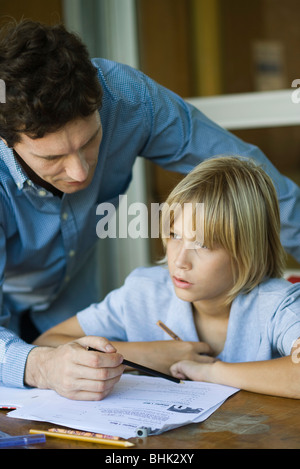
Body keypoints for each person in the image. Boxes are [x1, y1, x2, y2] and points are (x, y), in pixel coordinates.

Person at [0, 20, 299, 396]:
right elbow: (45, 351)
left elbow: (256, 183)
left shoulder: (126, 98)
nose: (80, 172)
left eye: (90, 141)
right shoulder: (144, 293)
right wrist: (39, 365)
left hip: (70, 299)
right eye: (53, 157)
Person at [36, 156, 300, 399]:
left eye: (203, 244)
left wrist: (212, 372)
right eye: (174, 235)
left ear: (247, 252)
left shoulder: (277, 303)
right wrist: (148, 355)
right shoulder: (144, 291)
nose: (179, 261)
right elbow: (47, 343)